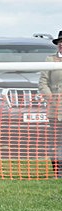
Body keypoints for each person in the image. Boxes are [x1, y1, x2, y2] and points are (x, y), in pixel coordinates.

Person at [39, 30, 62, 177]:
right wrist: (52, 99)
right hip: (56, 110)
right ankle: (58, 171)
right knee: (56, 143)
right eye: (60, 43)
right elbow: (43, 83)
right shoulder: (50, 60)